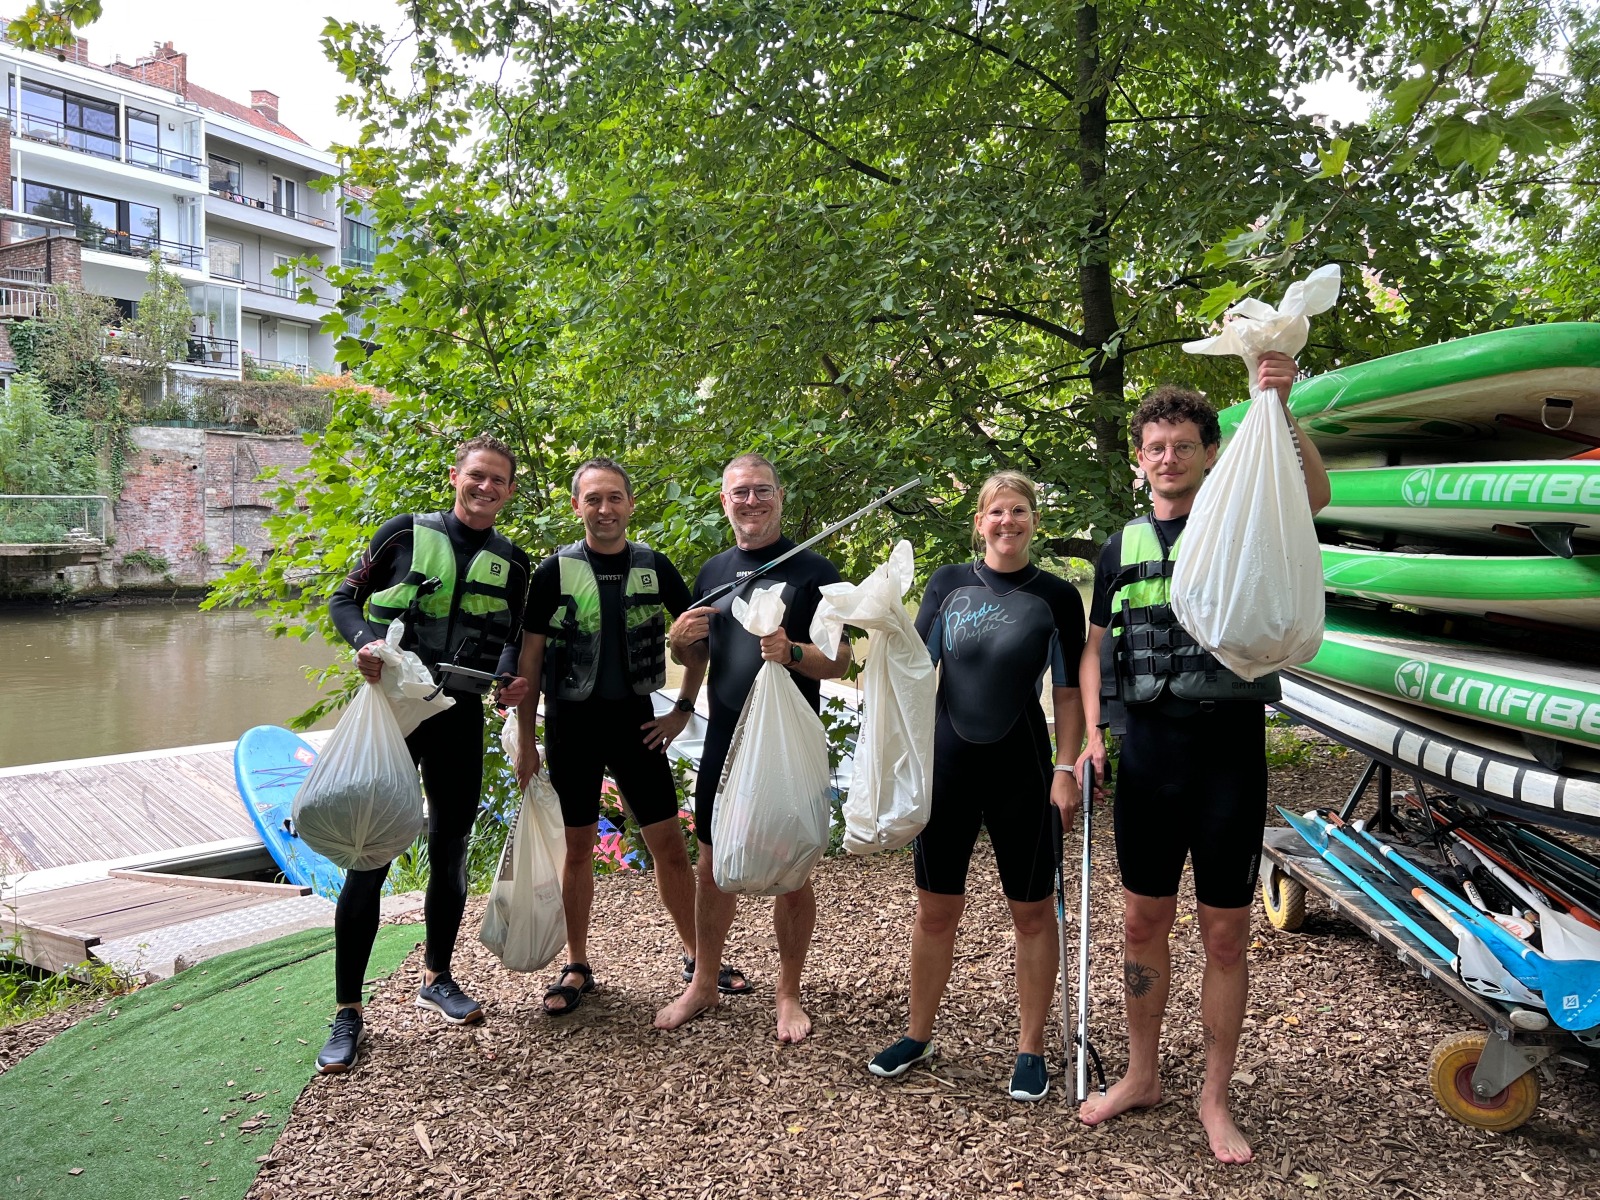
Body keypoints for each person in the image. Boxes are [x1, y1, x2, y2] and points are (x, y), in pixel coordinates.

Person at [1076, 354, 1329, 1160]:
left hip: (1228, 755)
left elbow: (1316, 495)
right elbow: (1093, 650)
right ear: (1139, 458)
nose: (1169, 458)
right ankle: (1142, 1074)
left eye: (1184, 445)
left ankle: (1214, 1098)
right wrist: (1090, 734)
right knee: (1141, 921)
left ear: (1211, 452)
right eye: (1156, 447)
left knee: (1225, 935)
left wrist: (1278, 404)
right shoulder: (1120, 546)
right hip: (1150, 756)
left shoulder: (1243, 519)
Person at [316, 434, 533, 1074]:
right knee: (369, 850)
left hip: (458, 717)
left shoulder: (513, 563)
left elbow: (512, 638)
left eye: (498, 480)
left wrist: (509, 679)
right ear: (455, 477)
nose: (485, 488)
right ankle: (348, 1011)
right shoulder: (402, 535)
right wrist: (365, 644)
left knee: (451, 845)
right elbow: (343, 600)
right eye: (477, 476)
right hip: (394, 714)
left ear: (509, 492)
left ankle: (437, 976)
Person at [867, 471, 1086, 1101]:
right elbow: (912, 668)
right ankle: (918, 1034)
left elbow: (1068, 693)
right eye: (996, 512)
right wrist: (875, 618)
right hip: (949, 771)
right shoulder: (948, 585)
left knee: (1032, 913)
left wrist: (1066, 768)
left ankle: (1031, 1048)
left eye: (1018, 511)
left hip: (1025, 771)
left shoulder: (1055, 598)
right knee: (936, 909)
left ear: (1033, 520)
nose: (1007, 522)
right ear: (979, 522)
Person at [653, 453, 851, 1042]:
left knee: (792, 869)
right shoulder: (714, 572)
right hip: (725, 737)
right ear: (724, 502)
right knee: (712, 865)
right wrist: (679, 650)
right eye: (740, 492)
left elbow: (840, 659)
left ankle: (789, 994)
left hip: (786, 742)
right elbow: (699, 656)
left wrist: (792, 652)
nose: (751, 501)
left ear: (780, 497)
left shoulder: (814, 570)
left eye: (762, 490)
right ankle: (704, 983)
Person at [515, 458, 706, 1016]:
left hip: (638, 727)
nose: (605, 509)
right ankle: (577, 963)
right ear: (577, 506)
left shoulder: (655, 566)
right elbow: (529, 660)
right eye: (593, 499)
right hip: (571, 729)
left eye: (614, 498)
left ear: (630, 504)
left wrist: (683, 709)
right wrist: (526, 741)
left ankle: (699, 958)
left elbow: (698, 638)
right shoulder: (553, 572)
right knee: (577, 850)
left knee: (670, 847)